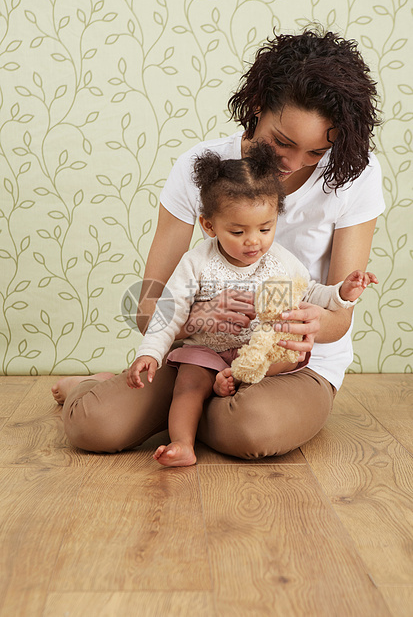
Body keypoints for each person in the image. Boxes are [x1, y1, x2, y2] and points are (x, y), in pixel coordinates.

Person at [52, 28, 385, 461]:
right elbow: (147, 304)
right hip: (200, 353)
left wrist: (312, 323)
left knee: (250, 429)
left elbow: (339, 314)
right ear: (257, 106)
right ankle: (99, 390)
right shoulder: (201, 168)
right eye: (282, 141)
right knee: (95, 426)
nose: (293, 163)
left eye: (315, 153)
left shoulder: (355, 174)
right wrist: (197, 319)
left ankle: (183, 415)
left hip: (289, 365)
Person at [126, 143, 377, 467]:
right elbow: (168, 312)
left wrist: (343, 292)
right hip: (207, 348)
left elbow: (312, 293)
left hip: (257, 352)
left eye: (265, 228)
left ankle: (236, 378)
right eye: (238, 231)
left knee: (289, 355)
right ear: (210, 225)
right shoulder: (196, 262)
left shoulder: (280, 261)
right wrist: (149, 353)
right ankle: (182, 443)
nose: (253, 241)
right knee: (188, 385)